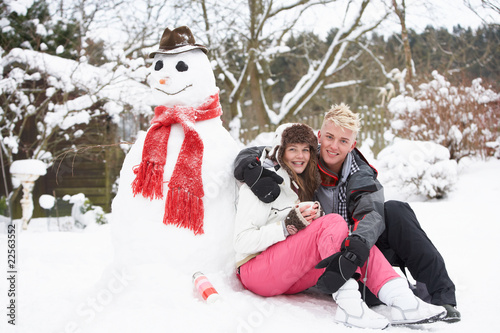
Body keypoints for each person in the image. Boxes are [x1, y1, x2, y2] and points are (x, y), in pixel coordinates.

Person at [233, 104, 461, 323]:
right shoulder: (304, 157)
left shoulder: (360, 173)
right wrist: (247, 164)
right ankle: (378, 293)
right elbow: (272, 148)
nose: (334, 146)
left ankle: (438, 295)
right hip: (316, 249)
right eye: (330, 137)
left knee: (395, 210)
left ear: (352, 145)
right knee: (335, 232)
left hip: (356, 247)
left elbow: (371, 213)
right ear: (319, 136)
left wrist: (356, 246)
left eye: (343, 141)